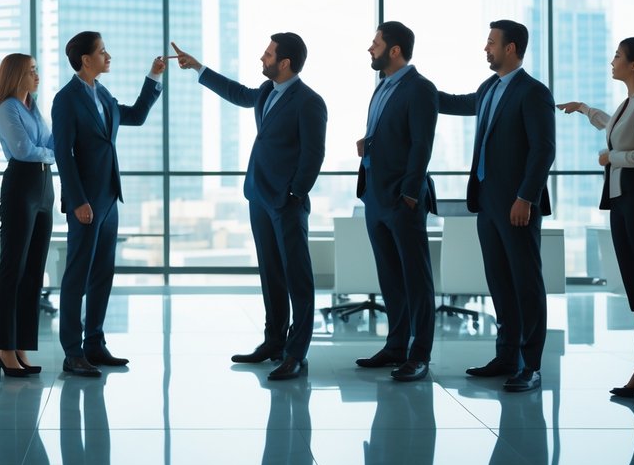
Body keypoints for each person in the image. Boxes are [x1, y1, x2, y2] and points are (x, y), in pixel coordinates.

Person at [171, 35, 327, 381]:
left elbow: (314, 154)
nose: (263, 56)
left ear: (284, 62)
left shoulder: (309, 102)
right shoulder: (267, 91)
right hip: (259, 196)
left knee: (296, 278)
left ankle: (296, 353)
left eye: (269, 53)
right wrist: (198, 67)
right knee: (271, 274)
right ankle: (273, 342)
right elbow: (238, 93)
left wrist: (295, 193)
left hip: (286, 201)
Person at [437, 20, 556, 393]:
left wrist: (526, 197)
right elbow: (459, 104)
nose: (485, 49)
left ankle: (531, 365)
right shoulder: (488, 87)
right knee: (500, 282)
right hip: (487, 201)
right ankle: (506, 356)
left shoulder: (533, 92)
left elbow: (543, 149)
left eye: (491, 43)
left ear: (512, 48)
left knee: (526, 284)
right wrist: (421, 89)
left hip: (517, 202)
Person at [559, 37, 634, 403]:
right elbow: (614, 127)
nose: (612, 61)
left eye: (617, 56)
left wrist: (612, 158)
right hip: (623, 199)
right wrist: (584, 109)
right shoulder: (631, 101)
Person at [52, 31, 164, 377]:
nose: (108, 55)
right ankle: (73, 351)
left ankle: (95, 344)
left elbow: (137, 115)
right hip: (86, 201)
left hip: (109, 197)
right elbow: (63, 154)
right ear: (85, 60)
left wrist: (154, 76)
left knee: (102, 274)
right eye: (102, 51)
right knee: (77, 276)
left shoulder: (102, 94)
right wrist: (77, 201)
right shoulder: (66, 99)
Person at [355, 21, 439, 382]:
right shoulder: (381, 88)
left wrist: (408, 193)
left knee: (415, 279)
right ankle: (395, 345)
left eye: (375, 43)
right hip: (375, 194)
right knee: (390, 276)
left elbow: (422, 143)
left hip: (401, 198)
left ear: (394, 50)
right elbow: (393, 134)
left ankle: (418, 354)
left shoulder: (420, 88)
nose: (369, 49)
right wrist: (369, 144)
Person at [0, 53, 55, 378]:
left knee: (34, 270)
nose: (37, 75)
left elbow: (46, 142)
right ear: (16, 75)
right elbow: (23, 150)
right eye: (30, 71)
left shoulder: (32, 108)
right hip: (21, 184)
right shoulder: (7, 108)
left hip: (44, 185)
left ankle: (22, 344)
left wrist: (50, 152)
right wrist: (52, 153)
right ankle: (5, 348)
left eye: (36, 70)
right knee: (13, 267)